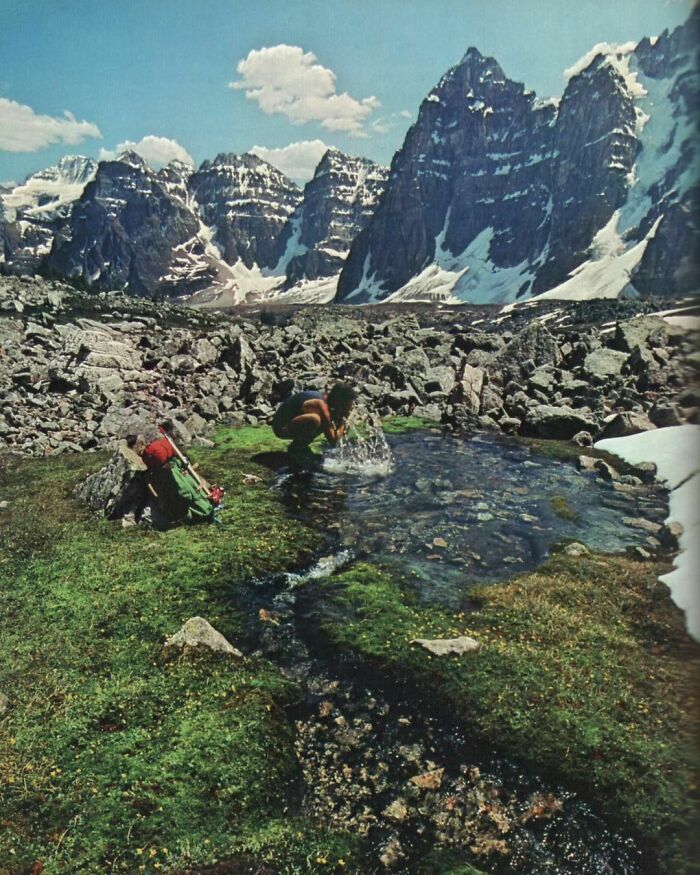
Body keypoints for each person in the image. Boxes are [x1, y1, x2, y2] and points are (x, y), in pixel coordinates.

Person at [127, 432, 217, 526]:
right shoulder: (146, 455)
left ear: (140, 445)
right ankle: (200, 513)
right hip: (167, 473)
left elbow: (165, 463)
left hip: (171, 472)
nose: (133, 451)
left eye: (133, 447)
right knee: (182, 494)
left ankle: (206, 511)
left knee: (184, 492)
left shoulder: (153, 451)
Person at [271, 383, 356, 469]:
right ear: (340, 402)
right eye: (347, 406)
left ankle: (301, 447)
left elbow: (342, 434)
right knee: (315, 420)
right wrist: (344, 420)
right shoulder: (322, 406)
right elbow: (333, 440)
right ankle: (296, 448)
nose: (349, 409)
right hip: (281, 428)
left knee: (321, 421)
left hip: (292, 422)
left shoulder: (328, 402)